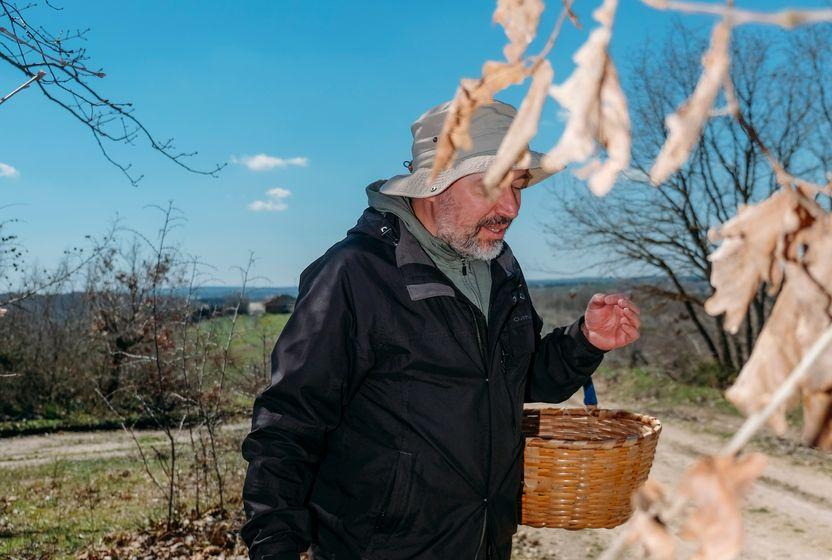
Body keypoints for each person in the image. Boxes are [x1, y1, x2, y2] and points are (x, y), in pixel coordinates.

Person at [241, 100, 641, 560]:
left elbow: (517, 381)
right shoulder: (355, 274)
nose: (511, 207)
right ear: (433, 184)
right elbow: (289, 423)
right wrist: (275, 545)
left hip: (485, 544)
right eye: (493, 185)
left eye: (518, 185)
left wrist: (584, 341)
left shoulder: (500, 270)